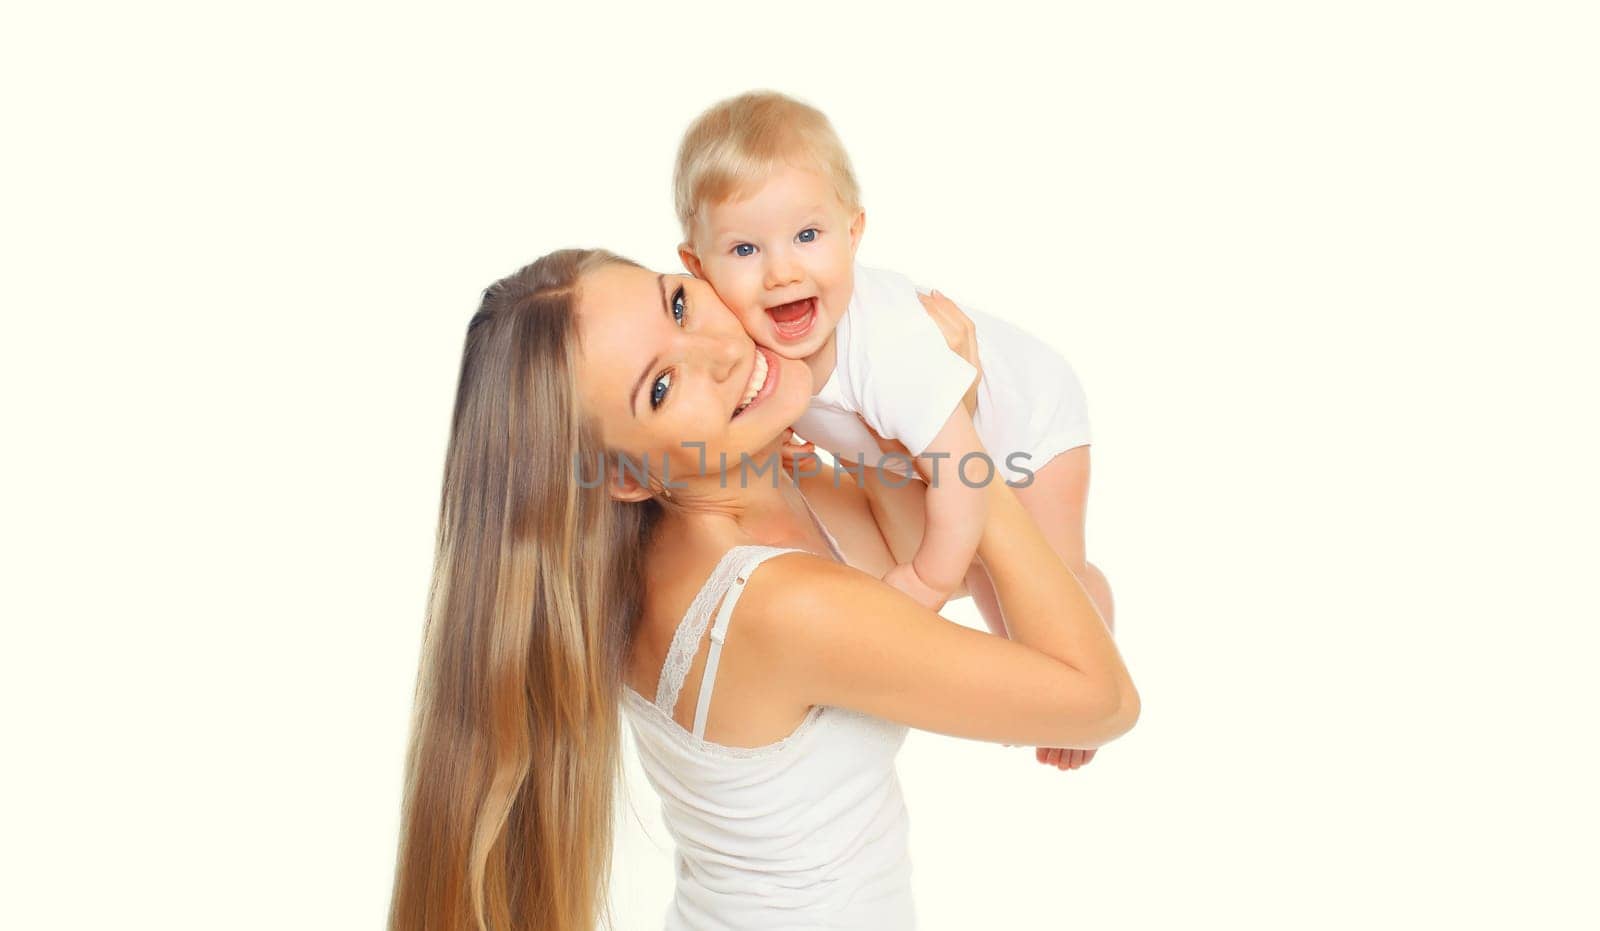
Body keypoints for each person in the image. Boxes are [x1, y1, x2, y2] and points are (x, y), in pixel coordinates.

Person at [387, 248, 1138, 931]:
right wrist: (959, 444)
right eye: (660, 386)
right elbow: (1101, 700)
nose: (717, 350)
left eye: (679, 304)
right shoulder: (777, 605)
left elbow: (918, 560)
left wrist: (927, 427)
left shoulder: (743, 489)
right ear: (621, 475)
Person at [673, 91, 1116, 769]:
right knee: (998, 587)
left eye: (808, 236)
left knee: (1044, 592)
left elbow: (965, 479)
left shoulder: (888, 349)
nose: (782, 269)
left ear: (854, 235)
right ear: (698, 267)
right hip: (933, 456)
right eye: (743, 248)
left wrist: (925, 584)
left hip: (1032, 423)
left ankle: (1092, 612)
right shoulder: (746, 339)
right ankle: (1040, 670)